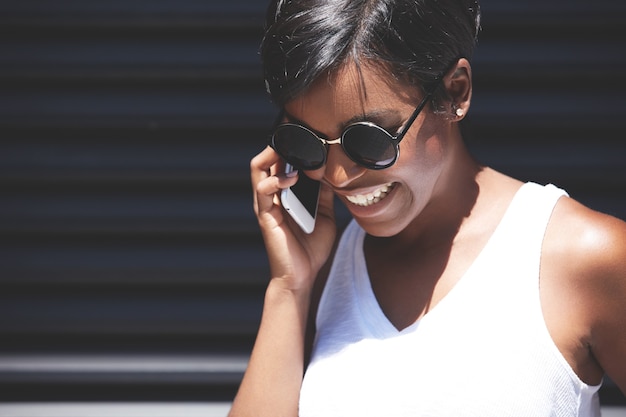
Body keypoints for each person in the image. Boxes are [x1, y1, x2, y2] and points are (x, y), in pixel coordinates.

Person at [229, 0, 626, 415]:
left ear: (455, 91)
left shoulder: (581, 258)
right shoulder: (324, 273)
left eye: (369, 139)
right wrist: (289, 288)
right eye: (306, 141)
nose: (337, 176)